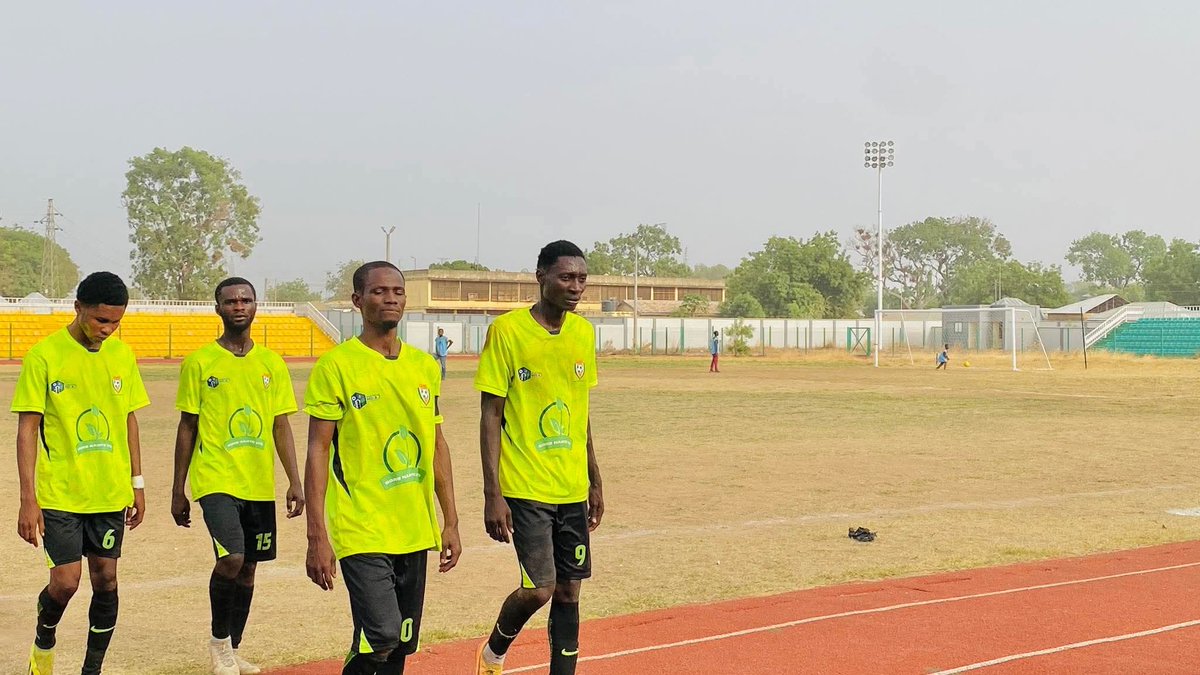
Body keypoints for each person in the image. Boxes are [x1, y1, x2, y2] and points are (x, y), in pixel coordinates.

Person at [304, 261, 462, 675]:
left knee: (401, 647)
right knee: (383, 634)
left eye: (397, 291)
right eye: (378, 291)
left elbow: (436, 444)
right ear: (358, 300)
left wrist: (451, 520)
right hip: (362, 526)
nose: (390, 298)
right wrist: (317, 535)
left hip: (413, 525)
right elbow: (318, 451)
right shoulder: (336, 366)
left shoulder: (425, 367)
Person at [474, 240, 604, 675]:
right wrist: (493, 493)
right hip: (525, 486)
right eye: (566, 277)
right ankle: (493, 651)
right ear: (541, 276)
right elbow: (490, 414)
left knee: (571, 591)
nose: (576, 286)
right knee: (540, 589)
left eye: (582, 278)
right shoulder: (508, 331)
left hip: (571, 487)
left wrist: (595, 480)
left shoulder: (583, 334)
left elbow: (581, 412)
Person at [12, 272, 149, 675]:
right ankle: (44, 640)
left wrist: (137, 483)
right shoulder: (44, 355)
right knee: (66, 583)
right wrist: (27, 499)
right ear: (78, 308)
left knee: (106, 580)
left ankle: (92, 669)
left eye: (116, 322)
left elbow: (129, 422)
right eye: (100, 321)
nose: (107, 330)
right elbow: (27, 430)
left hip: (109, 492)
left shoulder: (121, 356)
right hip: (60, 495)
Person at [171, 277, 305, 675]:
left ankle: (233, 649)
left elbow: (281, 424)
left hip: (258, 483)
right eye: (230, 301)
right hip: (215, 479)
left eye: (246, 299)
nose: (239, 306)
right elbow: (187, 427)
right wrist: (178, 489)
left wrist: (293, 479)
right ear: (218, 308)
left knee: (249, 570)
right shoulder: (200, 363)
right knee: (231, 557)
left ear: (256, 306)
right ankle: (218, 645)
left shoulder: (272, 363)